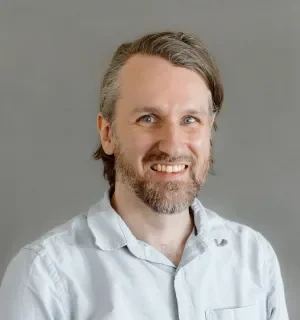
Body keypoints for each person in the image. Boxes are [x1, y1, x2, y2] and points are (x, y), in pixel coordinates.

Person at [0, 31, 289, 319]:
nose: (172, 144)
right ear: (107, 133)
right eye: (148, 119)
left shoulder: (254, 258)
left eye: (190, 120)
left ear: (209, 131)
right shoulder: (45, 277)